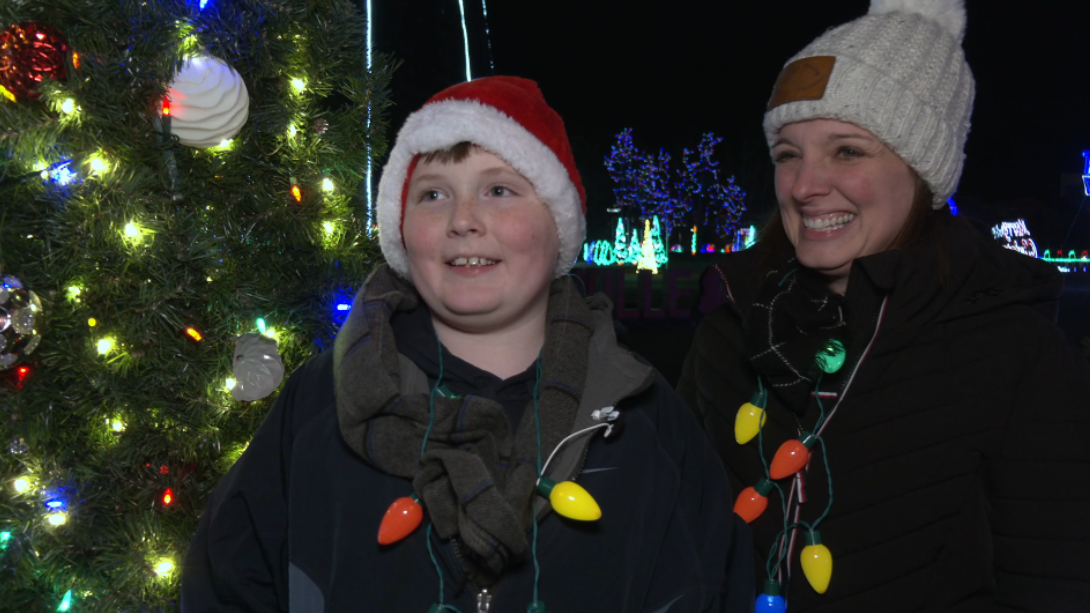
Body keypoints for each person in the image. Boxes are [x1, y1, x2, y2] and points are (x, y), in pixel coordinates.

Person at [182, 76, 753, 612]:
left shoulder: (644, 420)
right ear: (401, 230)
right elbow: (225, 583)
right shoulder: (316, 407)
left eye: (499, 190)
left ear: (559, 225)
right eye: (432, 195)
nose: (463, 220)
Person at [677, 0, 1090, 611]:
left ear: (921, 171)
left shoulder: (1013, 353)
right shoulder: (729, 326)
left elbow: (1054, 580)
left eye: (847, 151)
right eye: (788, 154)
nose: (804, 185)